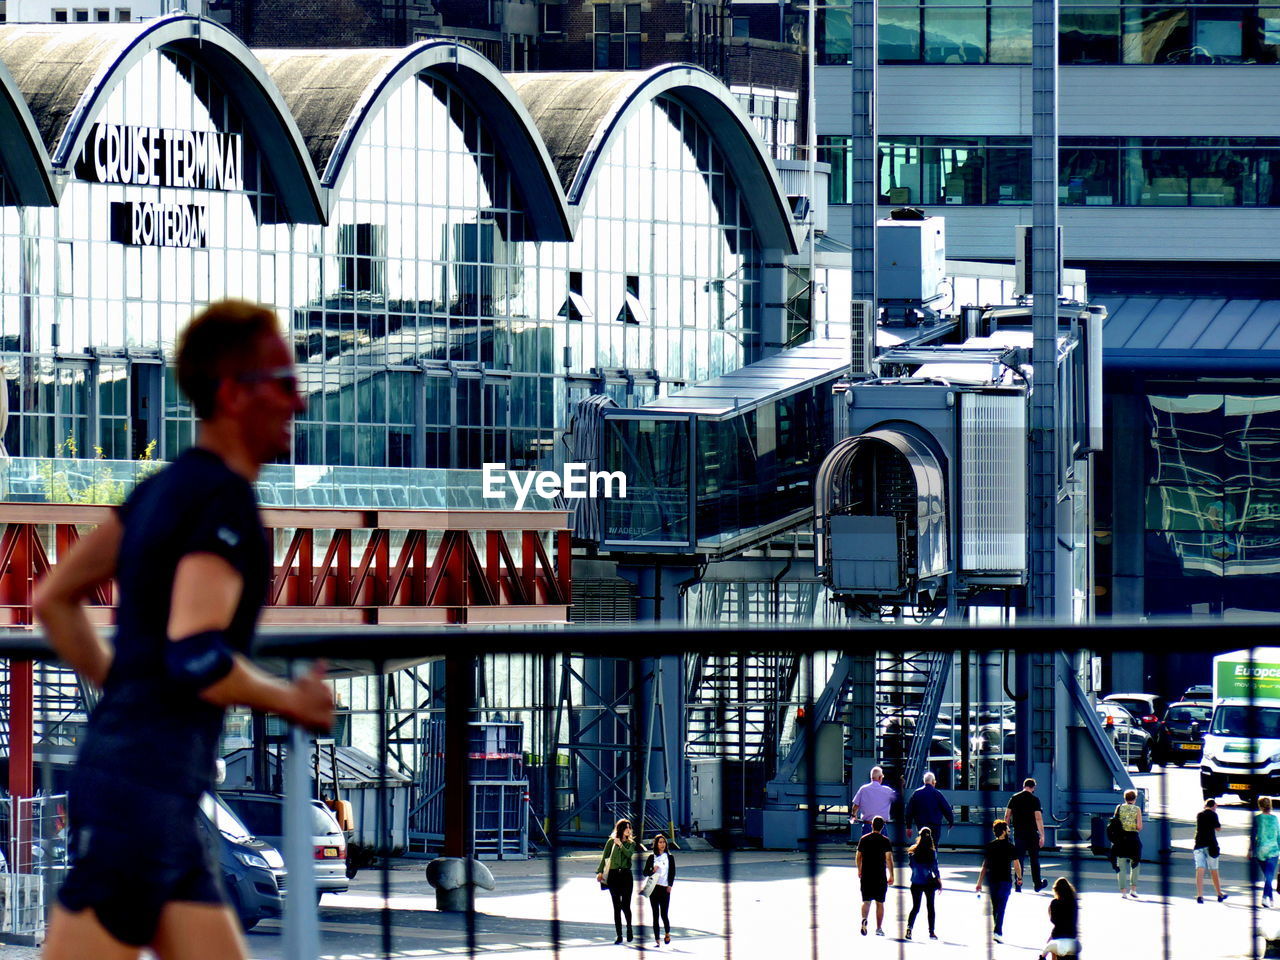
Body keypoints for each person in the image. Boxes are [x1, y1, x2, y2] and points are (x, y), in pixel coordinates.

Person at [33, 300, 334, 960]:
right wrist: (293, 700)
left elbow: (54, 598)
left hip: (151, 791)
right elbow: (194, 655)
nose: (300, 402)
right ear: (231, 393)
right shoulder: (221, 503)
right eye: (283, 381)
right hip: (142, 799)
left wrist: (125, 691)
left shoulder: (160, 490)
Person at [596, 819, 645, 943]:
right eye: (626, 828)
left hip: (626, 875)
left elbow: (628, 854)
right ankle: (619, 935)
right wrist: (600, 872)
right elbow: (604, 857)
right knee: (616, 906)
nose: (628, 830)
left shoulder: (631, 843)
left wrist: (620, 845)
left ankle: (629, 928)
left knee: (626, 905)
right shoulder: (611, 842)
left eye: (629, 828)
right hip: (613, 875)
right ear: (620, 829)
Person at [975, 820, 1021, 943]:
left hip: (992, 881)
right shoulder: (1011, 847)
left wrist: (979, 882)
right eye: (1008, 830)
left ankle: (996, 930)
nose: (1009, 832)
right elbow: (1016, 865)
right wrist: (1019, 878)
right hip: (1005, 880)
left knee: (996, 907)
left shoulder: (990, 846)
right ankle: (998, 931)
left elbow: (985, 866)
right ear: (1003, 831)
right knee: (1001, 907)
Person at [1005, 778, 1048, 893]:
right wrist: (1042, 835)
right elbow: (1038, 818)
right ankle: (1037, 884)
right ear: (1033, 787)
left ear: (1023, 785)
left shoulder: (1014, 798)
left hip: (1018, 833)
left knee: (1019, 859)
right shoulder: (1035, 800)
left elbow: (1007, 816)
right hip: (1032, 833)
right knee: (1034, 859)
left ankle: (1018, 884)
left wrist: (1006, 829)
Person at [856, 815, 895, 937]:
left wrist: (859, 869)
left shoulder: (864, 839)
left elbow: (858, 856)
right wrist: (892, 874)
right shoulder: (885, 841)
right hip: (880, 875)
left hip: (866, 874)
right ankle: (878, 928)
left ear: (872, 825)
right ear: (883, 827)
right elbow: (888, 859)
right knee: (880, 903)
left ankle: (864, 919)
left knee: (866, 901)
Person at [904, 826, 940, 941]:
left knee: (915, 907)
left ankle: (909, 928)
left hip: (915, 881)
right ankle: (932, 932)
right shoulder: (932, 852)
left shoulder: (913, 851)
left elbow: (911, 865)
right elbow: (935, 867)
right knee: (930, 907)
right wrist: (939, 880)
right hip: (928, 882)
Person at [906, 771, 955, 854]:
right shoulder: (937, 794)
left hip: (921, 825)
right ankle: (933, 864)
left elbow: (909, 811)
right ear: (933, 782)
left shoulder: (916, 793)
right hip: (935, 825)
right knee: (934, 846)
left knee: (921, 845)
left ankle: (922, 864)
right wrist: (951, 821)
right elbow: (946, 809)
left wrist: (908, 826)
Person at [643, 833, 676, 946]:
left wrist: (670, 885)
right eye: (660, 842)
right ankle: (657, 939)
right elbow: (645, 872)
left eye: (663, 842)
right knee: (655, 914)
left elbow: (672, 873)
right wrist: (652, 869)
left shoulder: (669, 857)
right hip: (653, 888)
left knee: (664, 914)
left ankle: (667, 933)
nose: (662, 844)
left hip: (664, 888)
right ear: (656, 844)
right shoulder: (651, 857)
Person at [1195, 797, 1227, 904]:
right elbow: (1218, 828)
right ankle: (1219, 893)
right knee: (1214, 870)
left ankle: (1200, 896)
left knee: (1200, 870)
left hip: (1199, 845)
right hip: (1211, 845)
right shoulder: (1213, 815)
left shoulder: (1199, 815)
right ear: (1213, 806)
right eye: (1215, 806)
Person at [850, 766, 896, 839]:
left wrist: (853, 815)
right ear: (880, 777)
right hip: (881, 826)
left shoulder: (863, 789)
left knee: (867, 849)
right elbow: (899, 799)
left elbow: (855, 806)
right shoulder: (887, 791)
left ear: (871, 777)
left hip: (867, 825)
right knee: (882, 849)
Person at [1113, 788, 1143, 899]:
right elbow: (1139, 826)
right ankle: (1133, 890)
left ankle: (1123, 892)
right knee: (1134, 864)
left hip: (1121, 839)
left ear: (1125, 798)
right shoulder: (1137, 809)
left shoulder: (1119, 808)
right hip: (1133, 838)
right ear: (1135, 799)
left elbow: (1115, 823)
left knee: (1121, 865)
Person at [1039, 877, 1079, 959]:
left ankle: (1042, 957)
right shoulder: (1073, 902)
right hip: (1071, 934)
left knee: (1051, 945)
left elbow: (1053, 920)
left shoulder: (1055, 903)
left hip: (1058, 934)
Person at [1254, 796, 1279, 908]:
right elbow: (1278, 835)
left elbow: (1253, 835)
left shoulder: (1257, 818)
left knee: (1267, 875)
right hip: (1273, 850)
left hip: (1260, 850)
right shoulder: (1274, 819)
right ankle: (1265, 897)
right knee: (1269, 876)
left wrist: (1250, 849)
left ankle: (1271, 898)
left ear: (1260, 806)